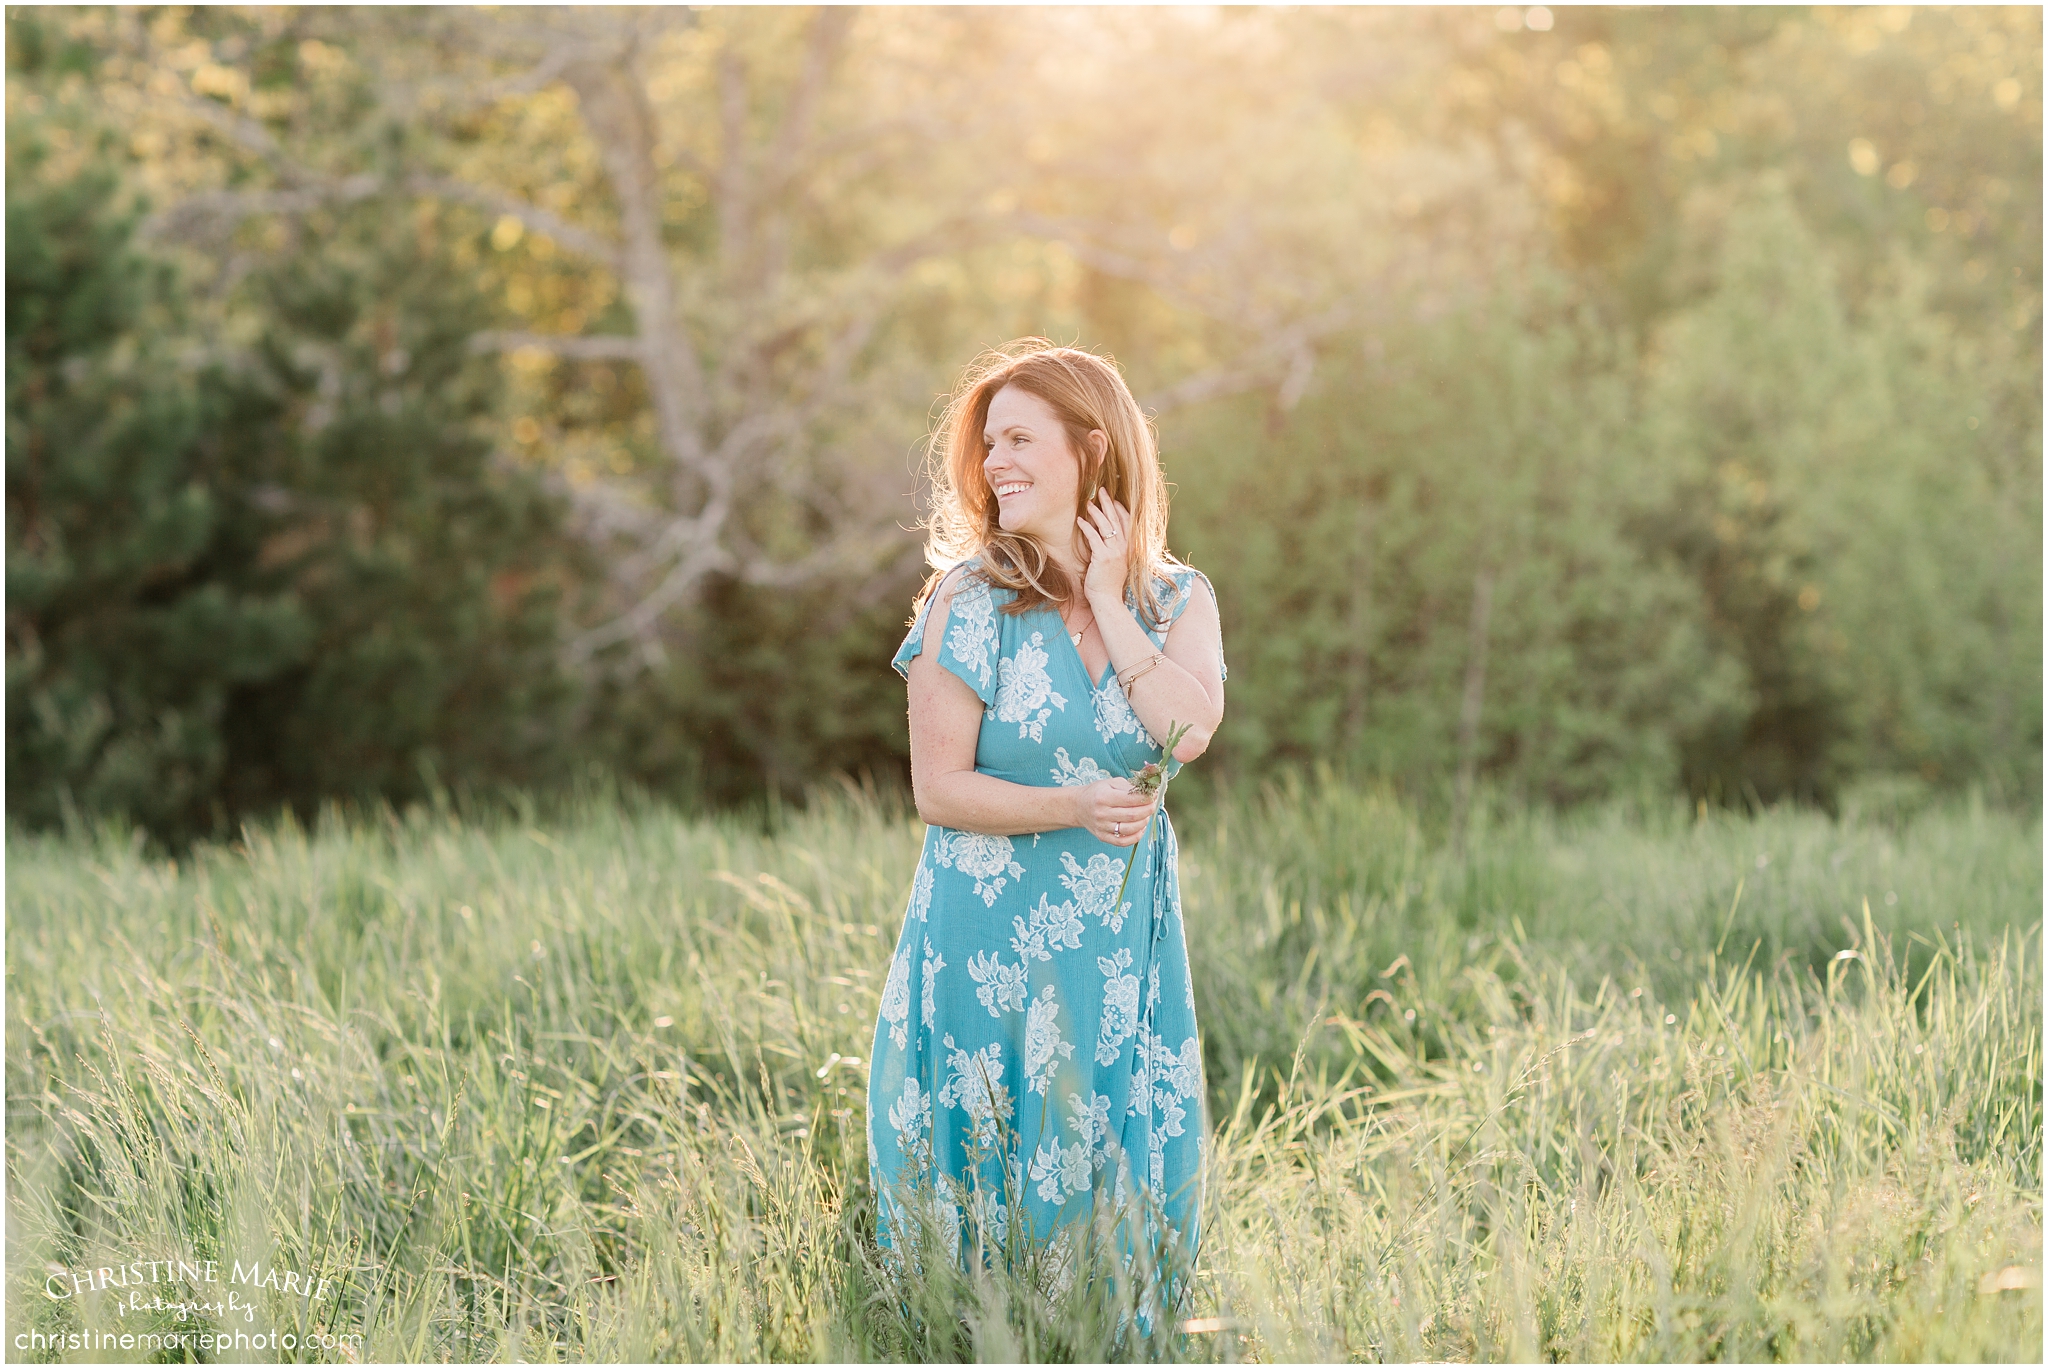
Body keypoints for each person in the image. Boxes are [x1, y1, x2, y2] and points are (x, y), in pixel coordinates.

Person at [865, 338, 1227, 1328]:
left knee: (1111, 1191)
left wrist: (1109, 602)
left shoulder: (1174, 601)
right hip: (982, 945)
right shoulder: (965, 602)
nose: (994, 464)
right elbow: (938, 789)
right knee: (982, 1183)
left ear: (1091, 449)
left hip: (1112, 959)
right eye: (987, 445)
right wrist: (1071, 805)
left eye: (1019, 438)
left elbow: (1188, 731)